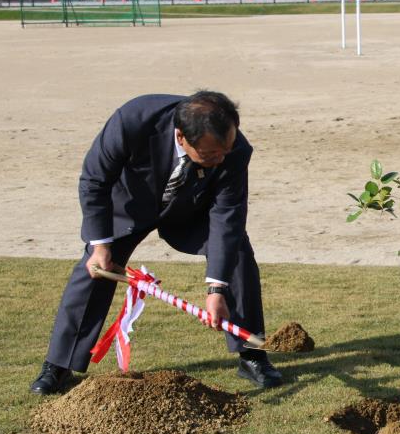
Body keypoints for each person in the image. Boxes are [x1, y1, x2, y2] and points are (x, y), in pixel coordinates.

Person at [30, 91, 281, 394]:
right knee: (92, 270)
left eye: (225, 150)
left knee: (237, 253)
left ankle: (252, 355)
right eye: (212, 155)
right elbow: (95, 180)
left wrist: (217, 288)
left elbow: (227, 216)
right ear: (181, 136)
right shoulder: (133, 120)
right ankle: (59, 364)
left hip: (192, 209)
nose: (221, 159)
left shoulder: (234, 149)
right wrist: (100, 245)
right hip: (131, 205)